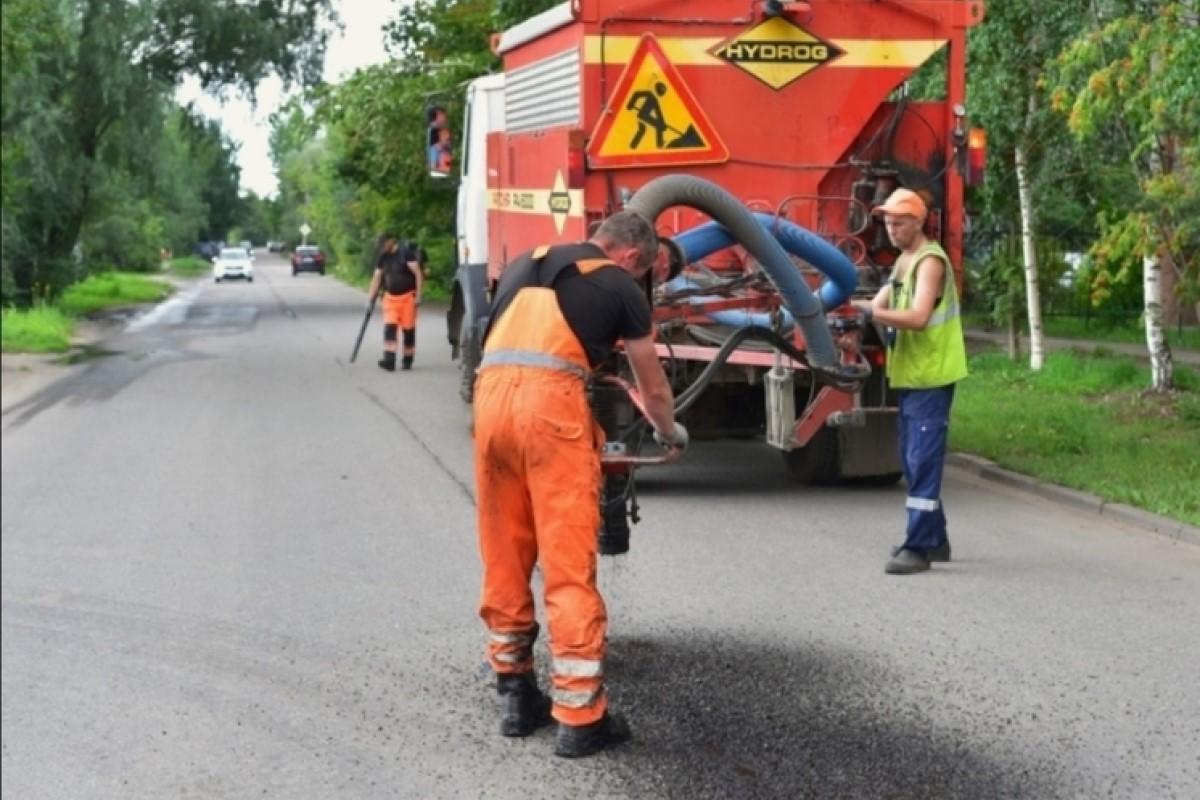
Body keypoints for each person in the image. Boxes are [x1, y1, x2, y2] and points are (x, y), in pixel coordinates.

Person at [473, 211, 688, 758]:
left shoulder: (524, 264)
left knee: (506, 552)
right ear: (633, 257)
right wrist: (669, 431)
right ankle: (579, 715)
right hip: (551, 411)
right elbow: (651, 384)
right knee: (568, 567)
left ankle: (515, 695)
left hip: (490, 405)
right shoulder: (619, 285)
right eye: (645, 271)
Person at [853, 188, 968, 575]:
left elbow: (918, 317)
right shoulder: (904, 261)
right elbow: (877, 304)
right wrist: (853, 311)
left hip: (932, 375)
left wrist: (871, 314)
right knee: (912, 458)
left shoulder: (929, 261)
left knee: (921, 460)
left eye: (899, 223)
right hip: (914, 375)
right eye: (887, 223)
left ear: (918, 222)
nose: (891, 230)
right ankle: (935, 540)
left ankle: (917, 548)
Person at [366, 233, 423, 371]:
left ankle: (408, 359)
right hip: (390, 299)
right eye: (380, 246)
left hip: (408, 298)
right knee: (389, 328)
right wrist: (370, 299)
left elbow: (418, 273)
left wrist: (419, 296)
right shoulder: (383, 257)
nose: (382, 248)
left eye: (384, 245)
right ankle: (389, 360)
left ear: (391, 241)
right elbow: (377, 278)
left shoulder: (405, 253)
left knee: (408, 330)